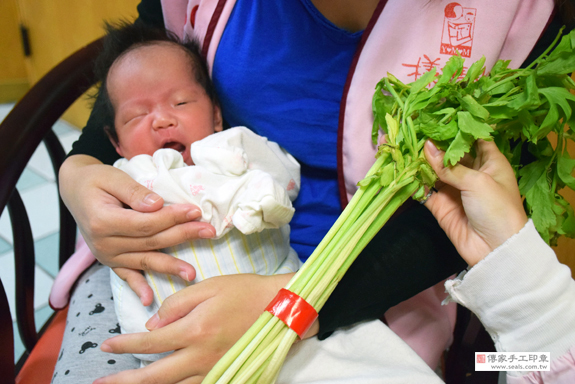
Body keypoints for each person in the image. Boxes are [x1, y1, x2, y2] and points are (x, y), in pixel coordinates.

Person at [53, 0, 571, 383]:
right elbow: (145, 60)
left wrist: (294, 306)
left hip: (367, 294)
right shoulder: (547, 323)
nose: (161, 118)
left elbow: (487, 223)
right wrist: (77, 170)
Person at [82, 22, 303, 368]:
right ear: (116, 143)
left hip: (275, 316)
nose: (161, 120)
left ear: (216, 115)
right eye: (137, 115)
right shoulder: (125, 178)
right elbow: (102, 233)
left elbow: (286, 177)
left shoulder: (235, 147)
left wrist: (260, 194)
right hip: (170, 345)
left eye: (180, 101)